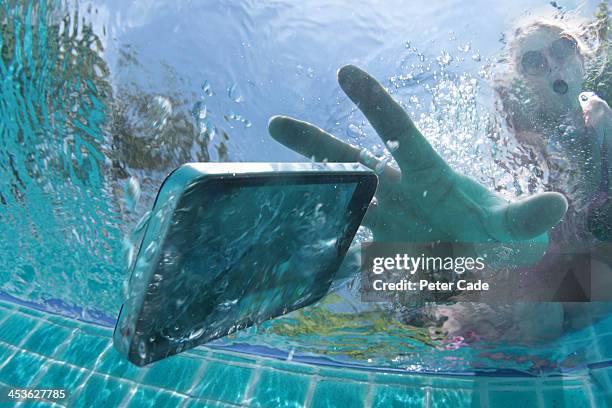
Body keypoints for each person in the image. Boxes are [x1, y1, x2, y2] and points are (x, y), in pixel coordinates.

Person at [267, 19, 612, 343]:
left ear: (580, 55)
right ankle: (418, 294)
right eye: (534, 61)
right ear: (523, 81)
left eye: (563, 47)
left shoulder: (600, 120)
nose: (552, 63)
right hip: (516, 277)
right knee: (536, 313)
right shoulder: (513, 142)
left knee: (598, 287)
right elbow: (499, 234)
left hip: (574, 277)